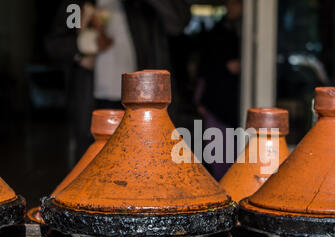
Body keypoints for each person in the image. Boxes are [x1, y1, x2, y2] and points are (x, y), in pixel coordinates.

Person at [46, 0, 191, 160]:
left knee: (142, 164)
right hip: (92, 104)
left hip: (139, 105)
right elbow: (54, 45)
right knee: (92, 167)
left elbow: (179, 22)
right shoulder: (76, 5)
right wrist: (84, 43)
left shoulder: (140, 6)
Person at [196, 0, 242, 180]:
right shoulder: (217, 32)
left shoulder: (251, 31)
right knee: (218, 153)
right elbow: (204, 68)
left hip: (237, 102)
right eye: (230, 3)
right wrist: (199, 98)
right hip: (216, 101)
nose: (232, 7)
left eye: (237, 3)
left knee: (239, 155)